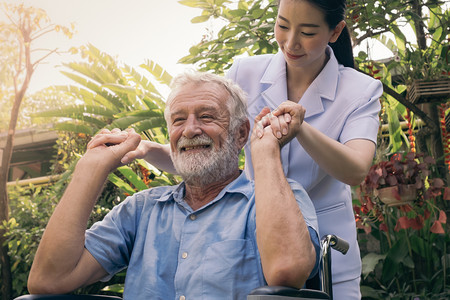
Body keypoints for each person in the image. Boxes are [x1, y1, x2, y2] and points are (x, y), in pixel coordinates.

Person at [123, 1, 383, 299]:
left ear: (335, 31)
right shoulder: (245, 71)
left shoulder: (361, 90)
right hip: (247, 244)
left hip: (323, 249)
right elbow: (213, 157)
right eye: (283, 26)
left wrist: (302, 130)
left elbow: (355, 169)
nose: (290, 42)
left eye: (307, 32)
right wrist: (147, 149)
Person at [27, 72, 320, 299]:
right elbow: (49, 279)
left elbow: (288, 271)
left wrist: (266, 149)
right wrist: (91, 167)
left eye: (206, 116)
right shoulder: (141, 210)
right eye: (179, 120)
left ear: (241, 133)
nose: (190, 130)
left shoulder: (280, 198)